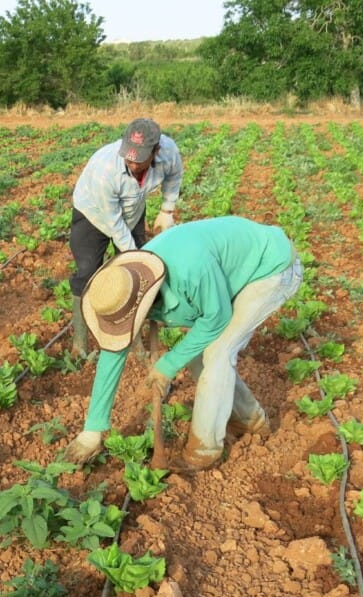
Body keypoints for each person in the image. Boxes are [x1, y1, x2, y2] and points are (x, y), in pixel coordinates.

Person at [64, 216, 303, 471]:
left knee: (217, 352)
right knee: (197, 352)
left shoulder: (189, 269)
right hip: (228, 272)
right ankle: (249, 421)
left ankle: (204, 451)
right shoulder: (129, 283)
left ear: (146, 302)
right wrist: (92, 429)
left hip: (269, 268)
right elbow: (113, 353)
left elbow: (216, 318)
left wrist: (168, 364)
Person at [67, 118, 183, 357]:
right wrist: (134, 256)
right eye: (128, 156)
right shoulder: (105, 169)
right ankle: (80, 344)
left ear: (155, 151)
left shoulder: (169, 152)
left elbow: (174, 176)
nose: (131, 162)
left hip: (133, 209)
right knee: (87, 271)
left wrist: (167, 210)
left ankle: (135, 341)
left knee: (137, 277)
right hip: (94, 214)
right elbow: (114, 223)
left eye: (138, 158)